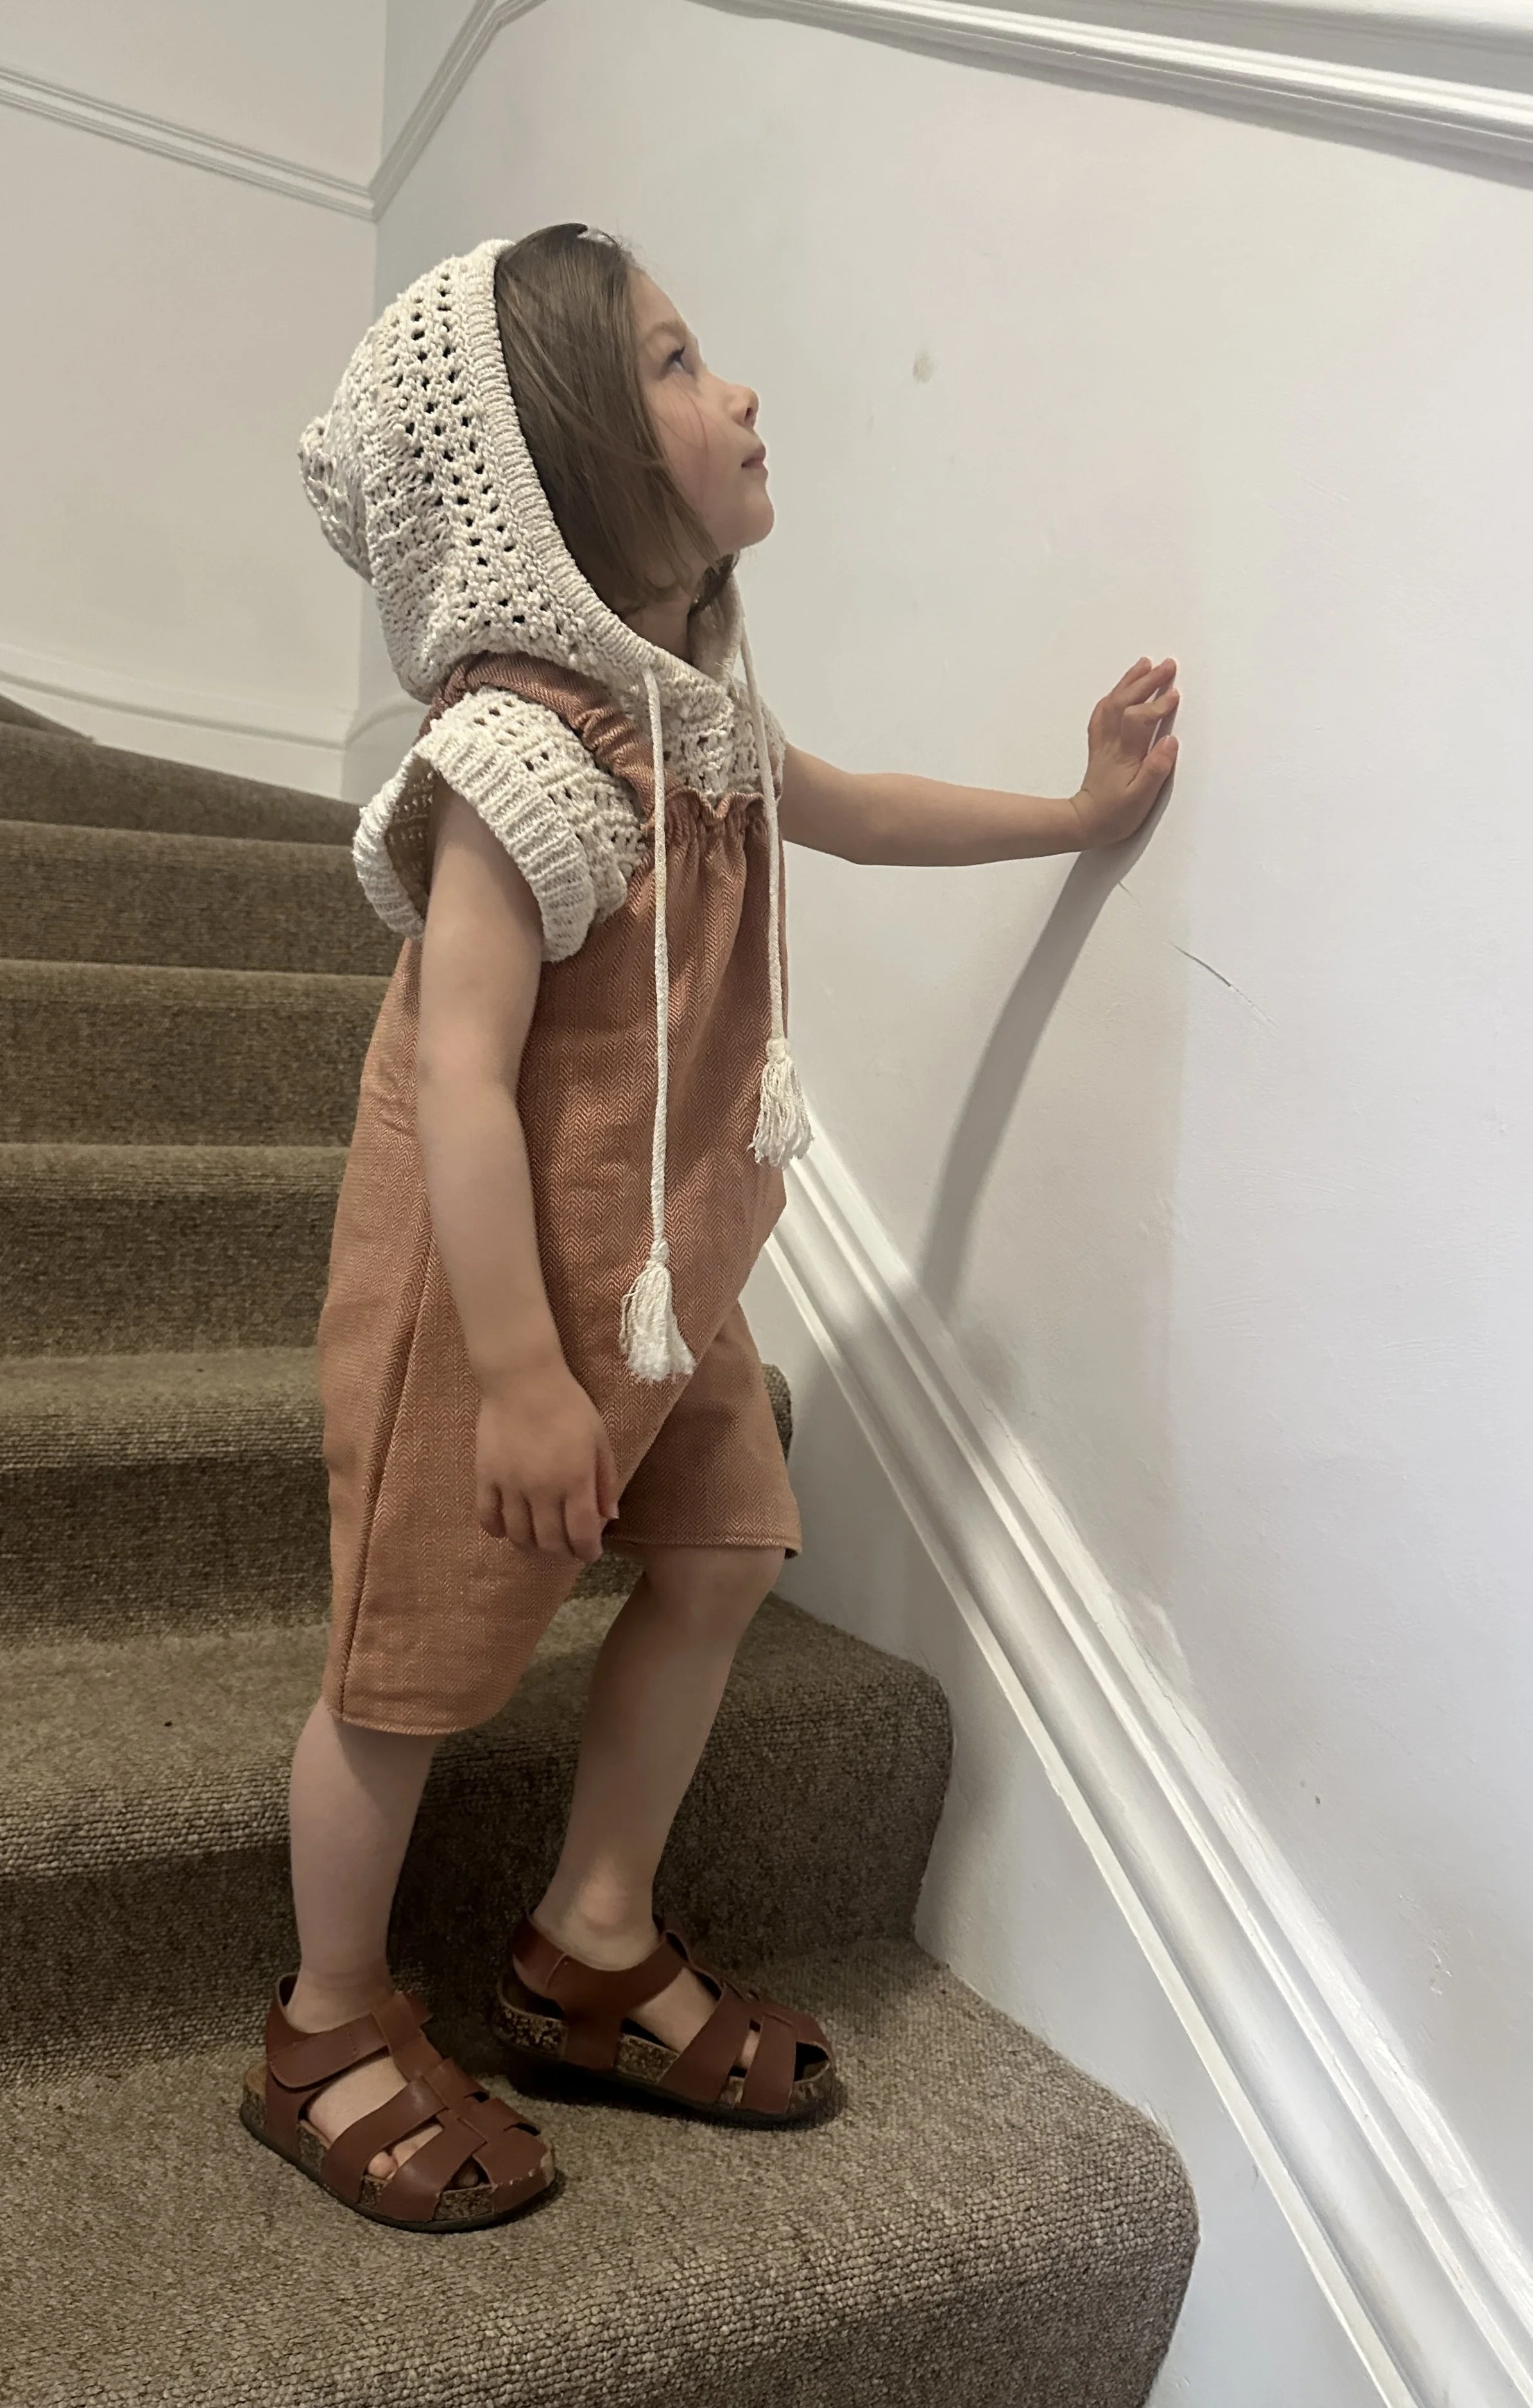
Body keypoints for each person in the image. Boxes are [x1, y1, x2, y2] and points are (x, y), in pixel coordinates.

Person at [238, 223, 1181, 2232]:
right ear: (557, 469)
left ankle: (587, 1935)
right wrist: (514, 1377)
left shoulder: (688, 719)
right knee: (405, 1669)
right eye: (674, 363)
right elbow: (463, 1077)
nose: (735, 391)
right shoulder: (515, 755)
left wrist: (1070, 813)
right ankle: (323, 2019)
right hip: (488, 1307)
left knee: (730, 1550)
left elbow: (852, 806)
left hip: (667, 1274)